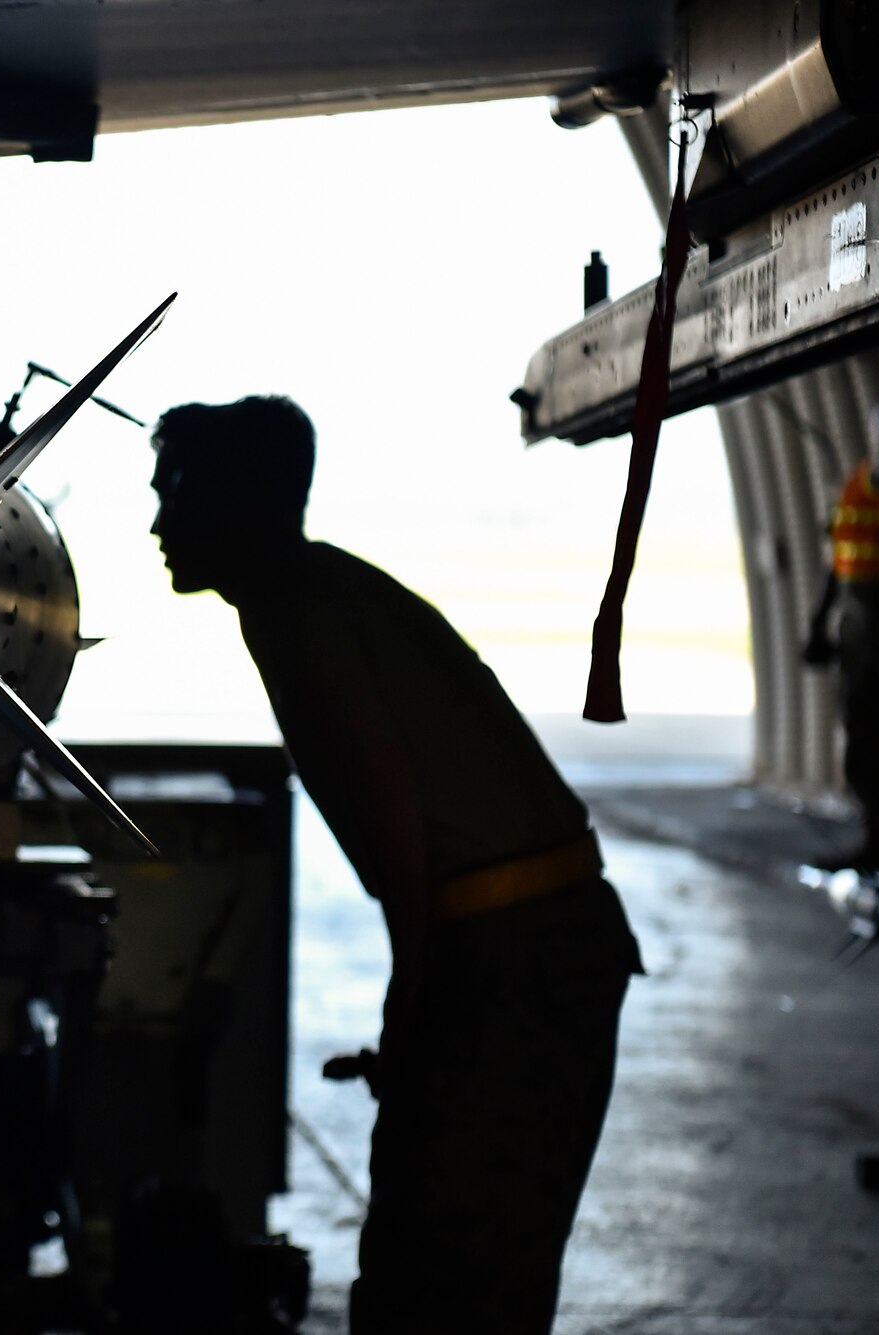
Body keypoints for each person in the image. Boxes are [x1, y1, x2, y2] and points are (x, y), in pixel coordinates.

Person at [148, 398, 642, 1335]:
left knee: (441, 1279)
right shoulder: (319, 588)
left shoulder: (293, 607)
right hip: (540, 947)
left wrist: (412, 996)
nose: (159, 523)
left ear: (237, 498)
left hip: (513, 954)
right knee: (480, 1267)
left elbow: (389, 801)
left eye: (176, 492)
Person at [803, 396, 879, 868]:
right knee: (863, 736)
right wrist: (818, 624)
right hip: (858, 629)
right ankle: (876, 840)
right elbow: (835, 567)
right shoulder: (854, 492)